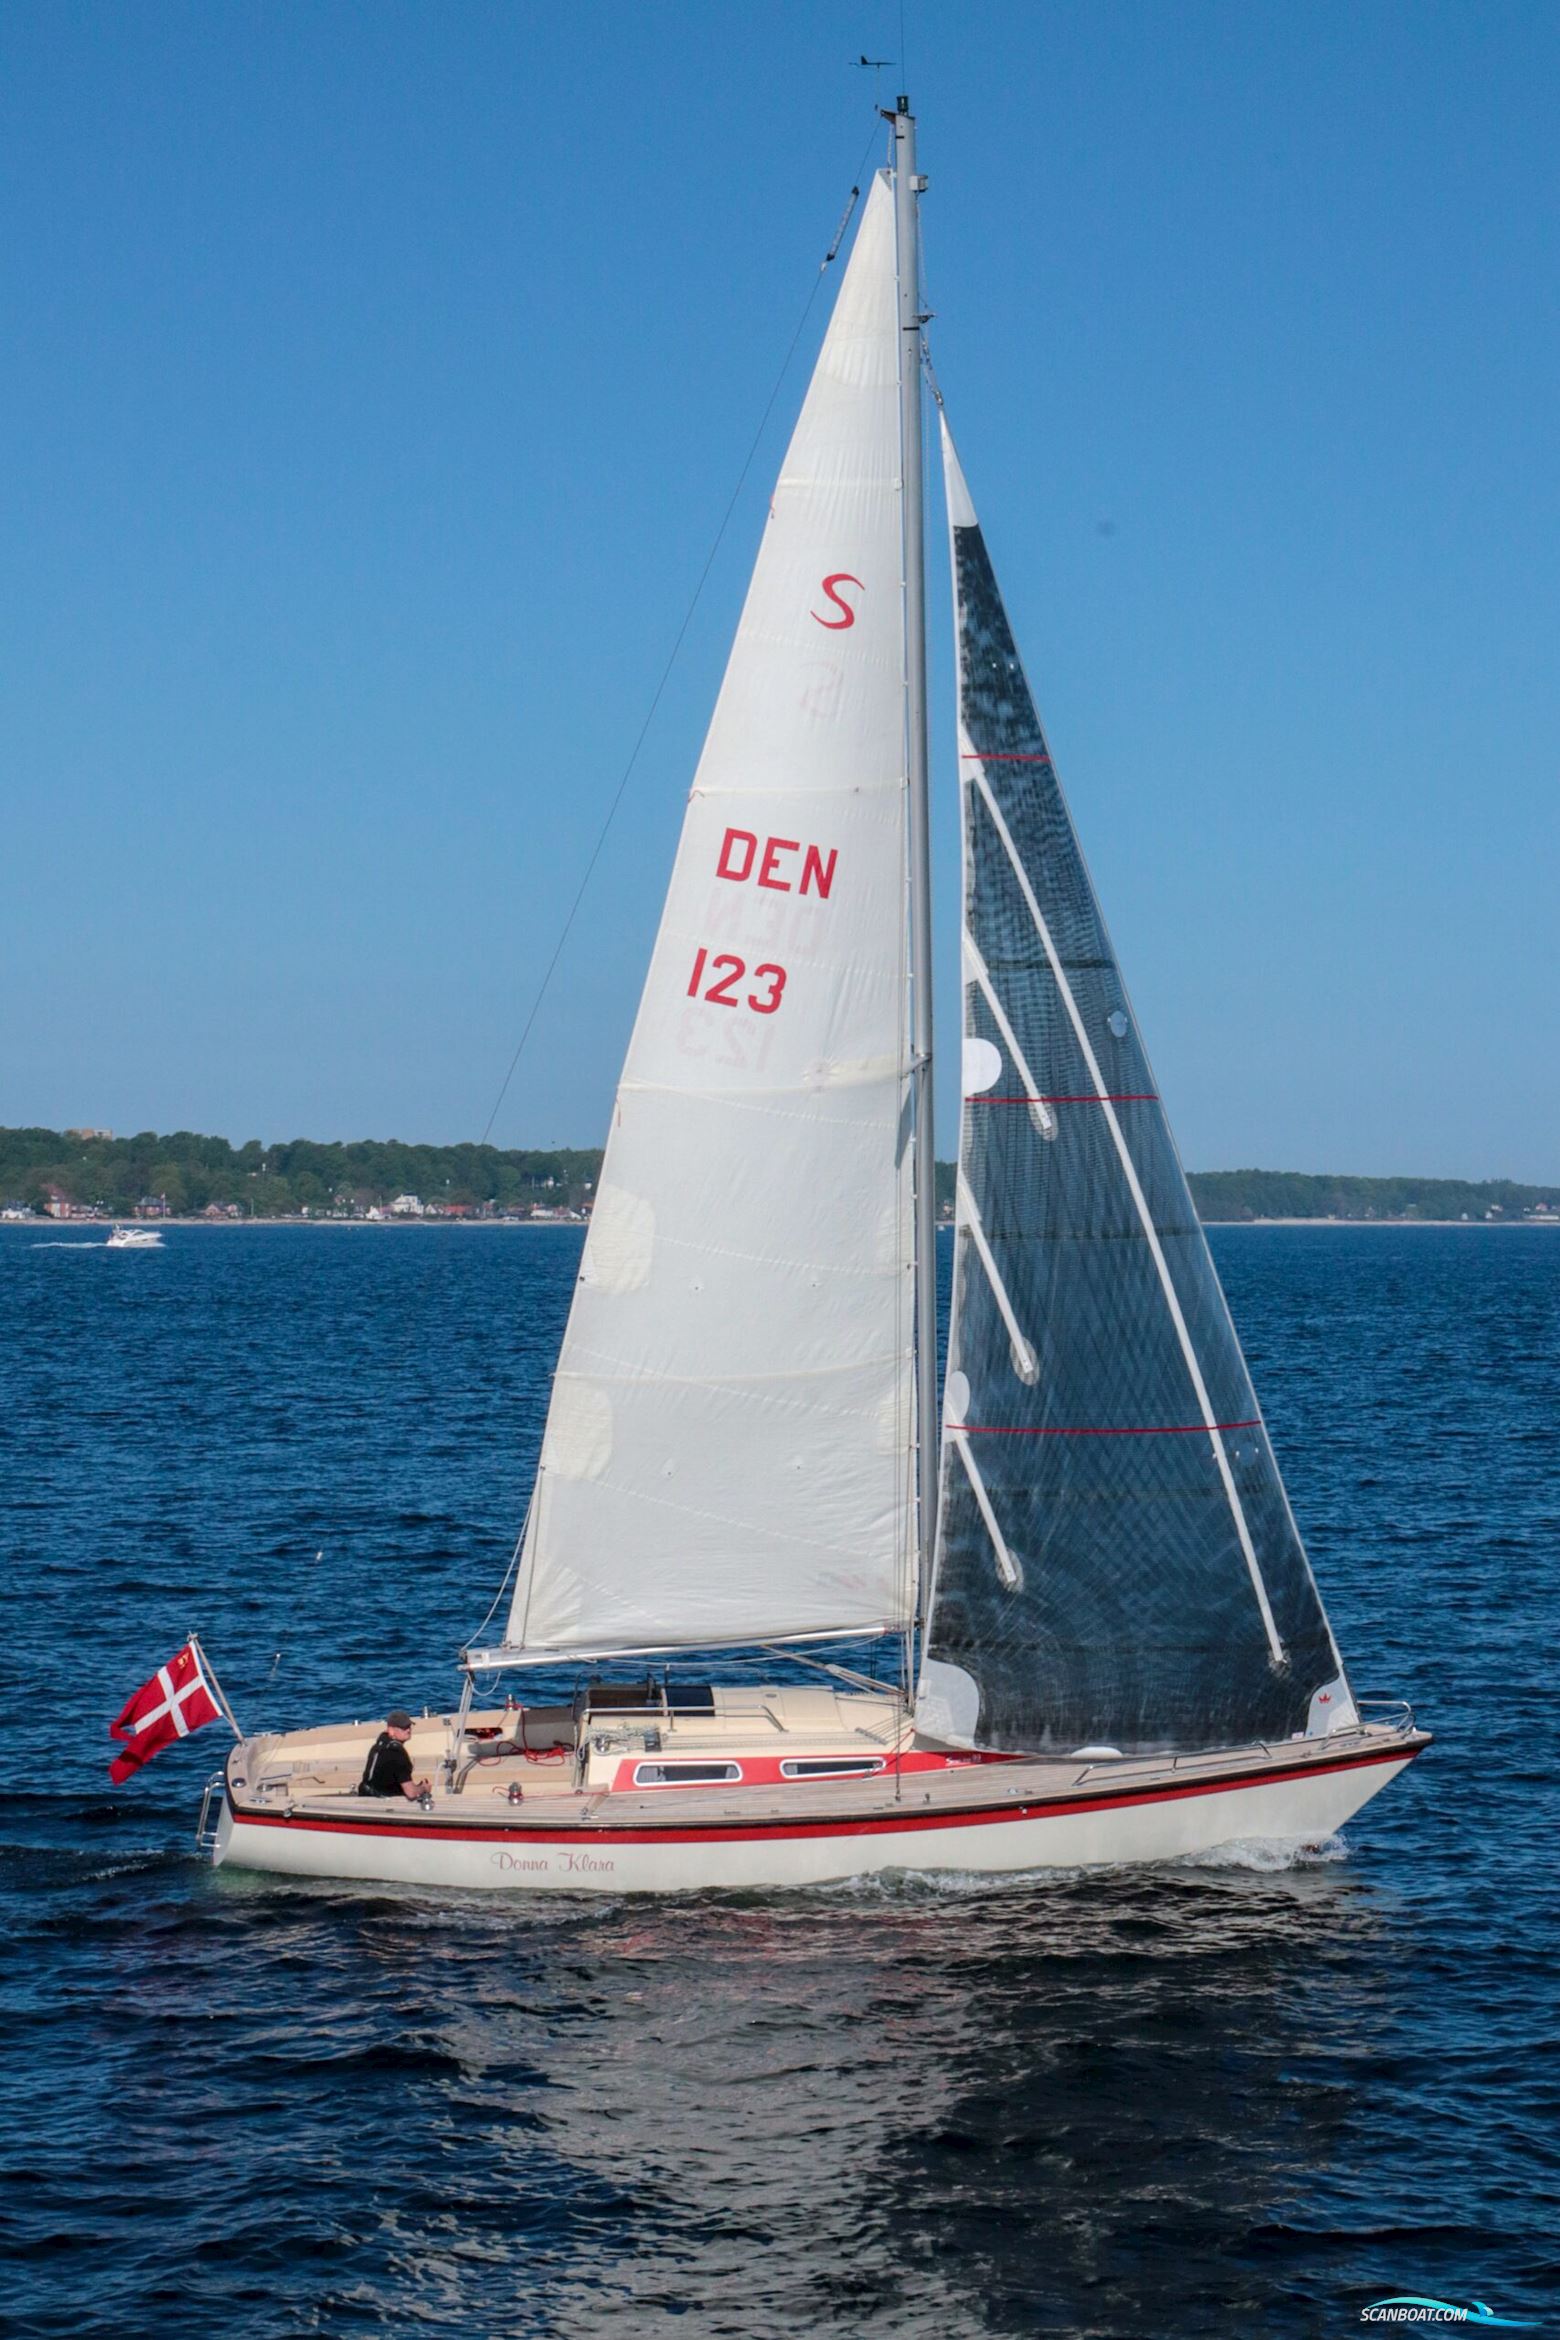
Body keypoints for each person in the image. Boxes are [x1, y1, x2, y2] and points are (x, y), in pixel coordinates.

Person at [358, 1709, 431, 1800]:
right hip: (381, 1801)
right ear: (391, 1730)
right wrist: (424, 1788)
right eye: (403, 1727)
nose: (408, 1730)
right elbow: (411, 1793)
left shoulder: (378, 1746)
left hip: (365, 1795)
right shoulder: (397, 1753)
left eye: (409, 1726)